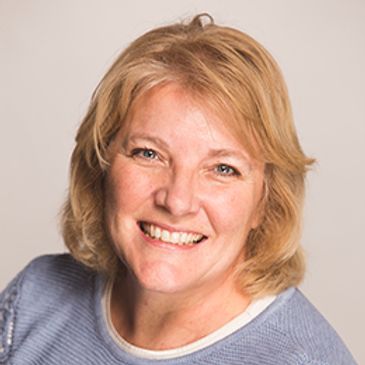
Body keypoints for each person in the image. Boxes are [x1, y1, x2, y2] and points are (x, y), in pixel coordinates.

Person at [0, 14, 356, 365]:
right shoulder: (34, 299)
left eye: (222, 169)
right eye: (149, 153)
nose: (177, 200)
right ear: (101, 164)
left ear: (266, 202)